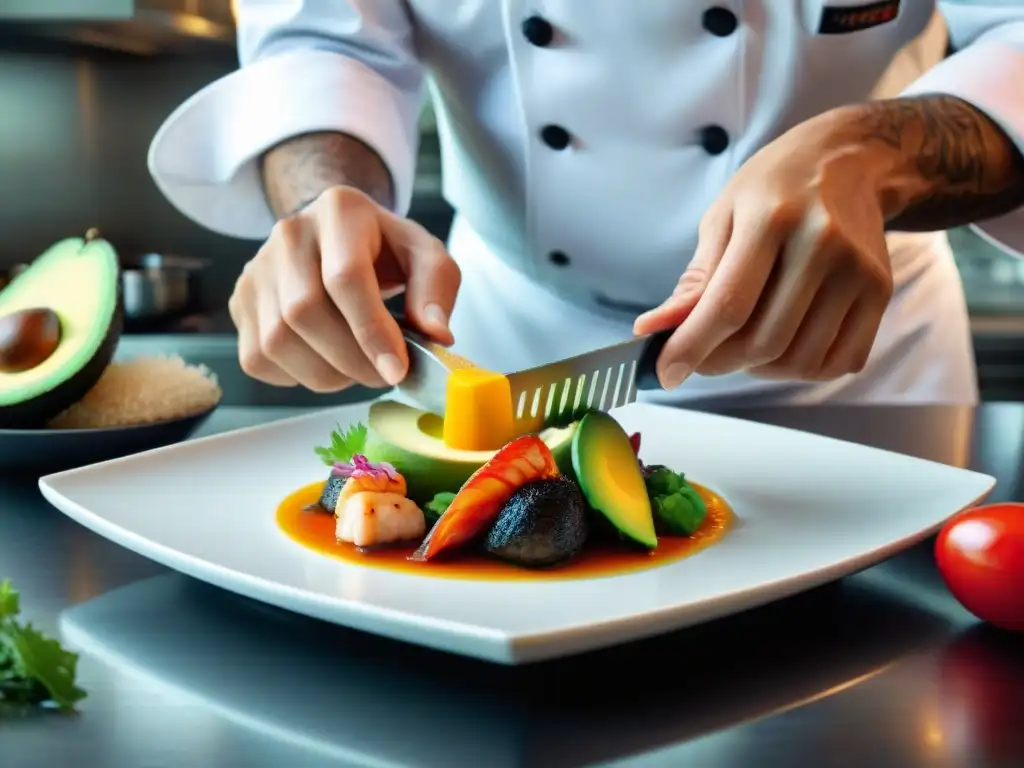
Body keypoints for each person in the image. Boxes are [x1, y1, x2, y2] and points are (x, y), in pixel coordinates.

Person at [148, 2, 1024, 407]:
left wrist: (870, 151)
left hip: (860, 352)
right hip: (512, 351)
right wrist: (329, 203)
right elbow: (318, 38)